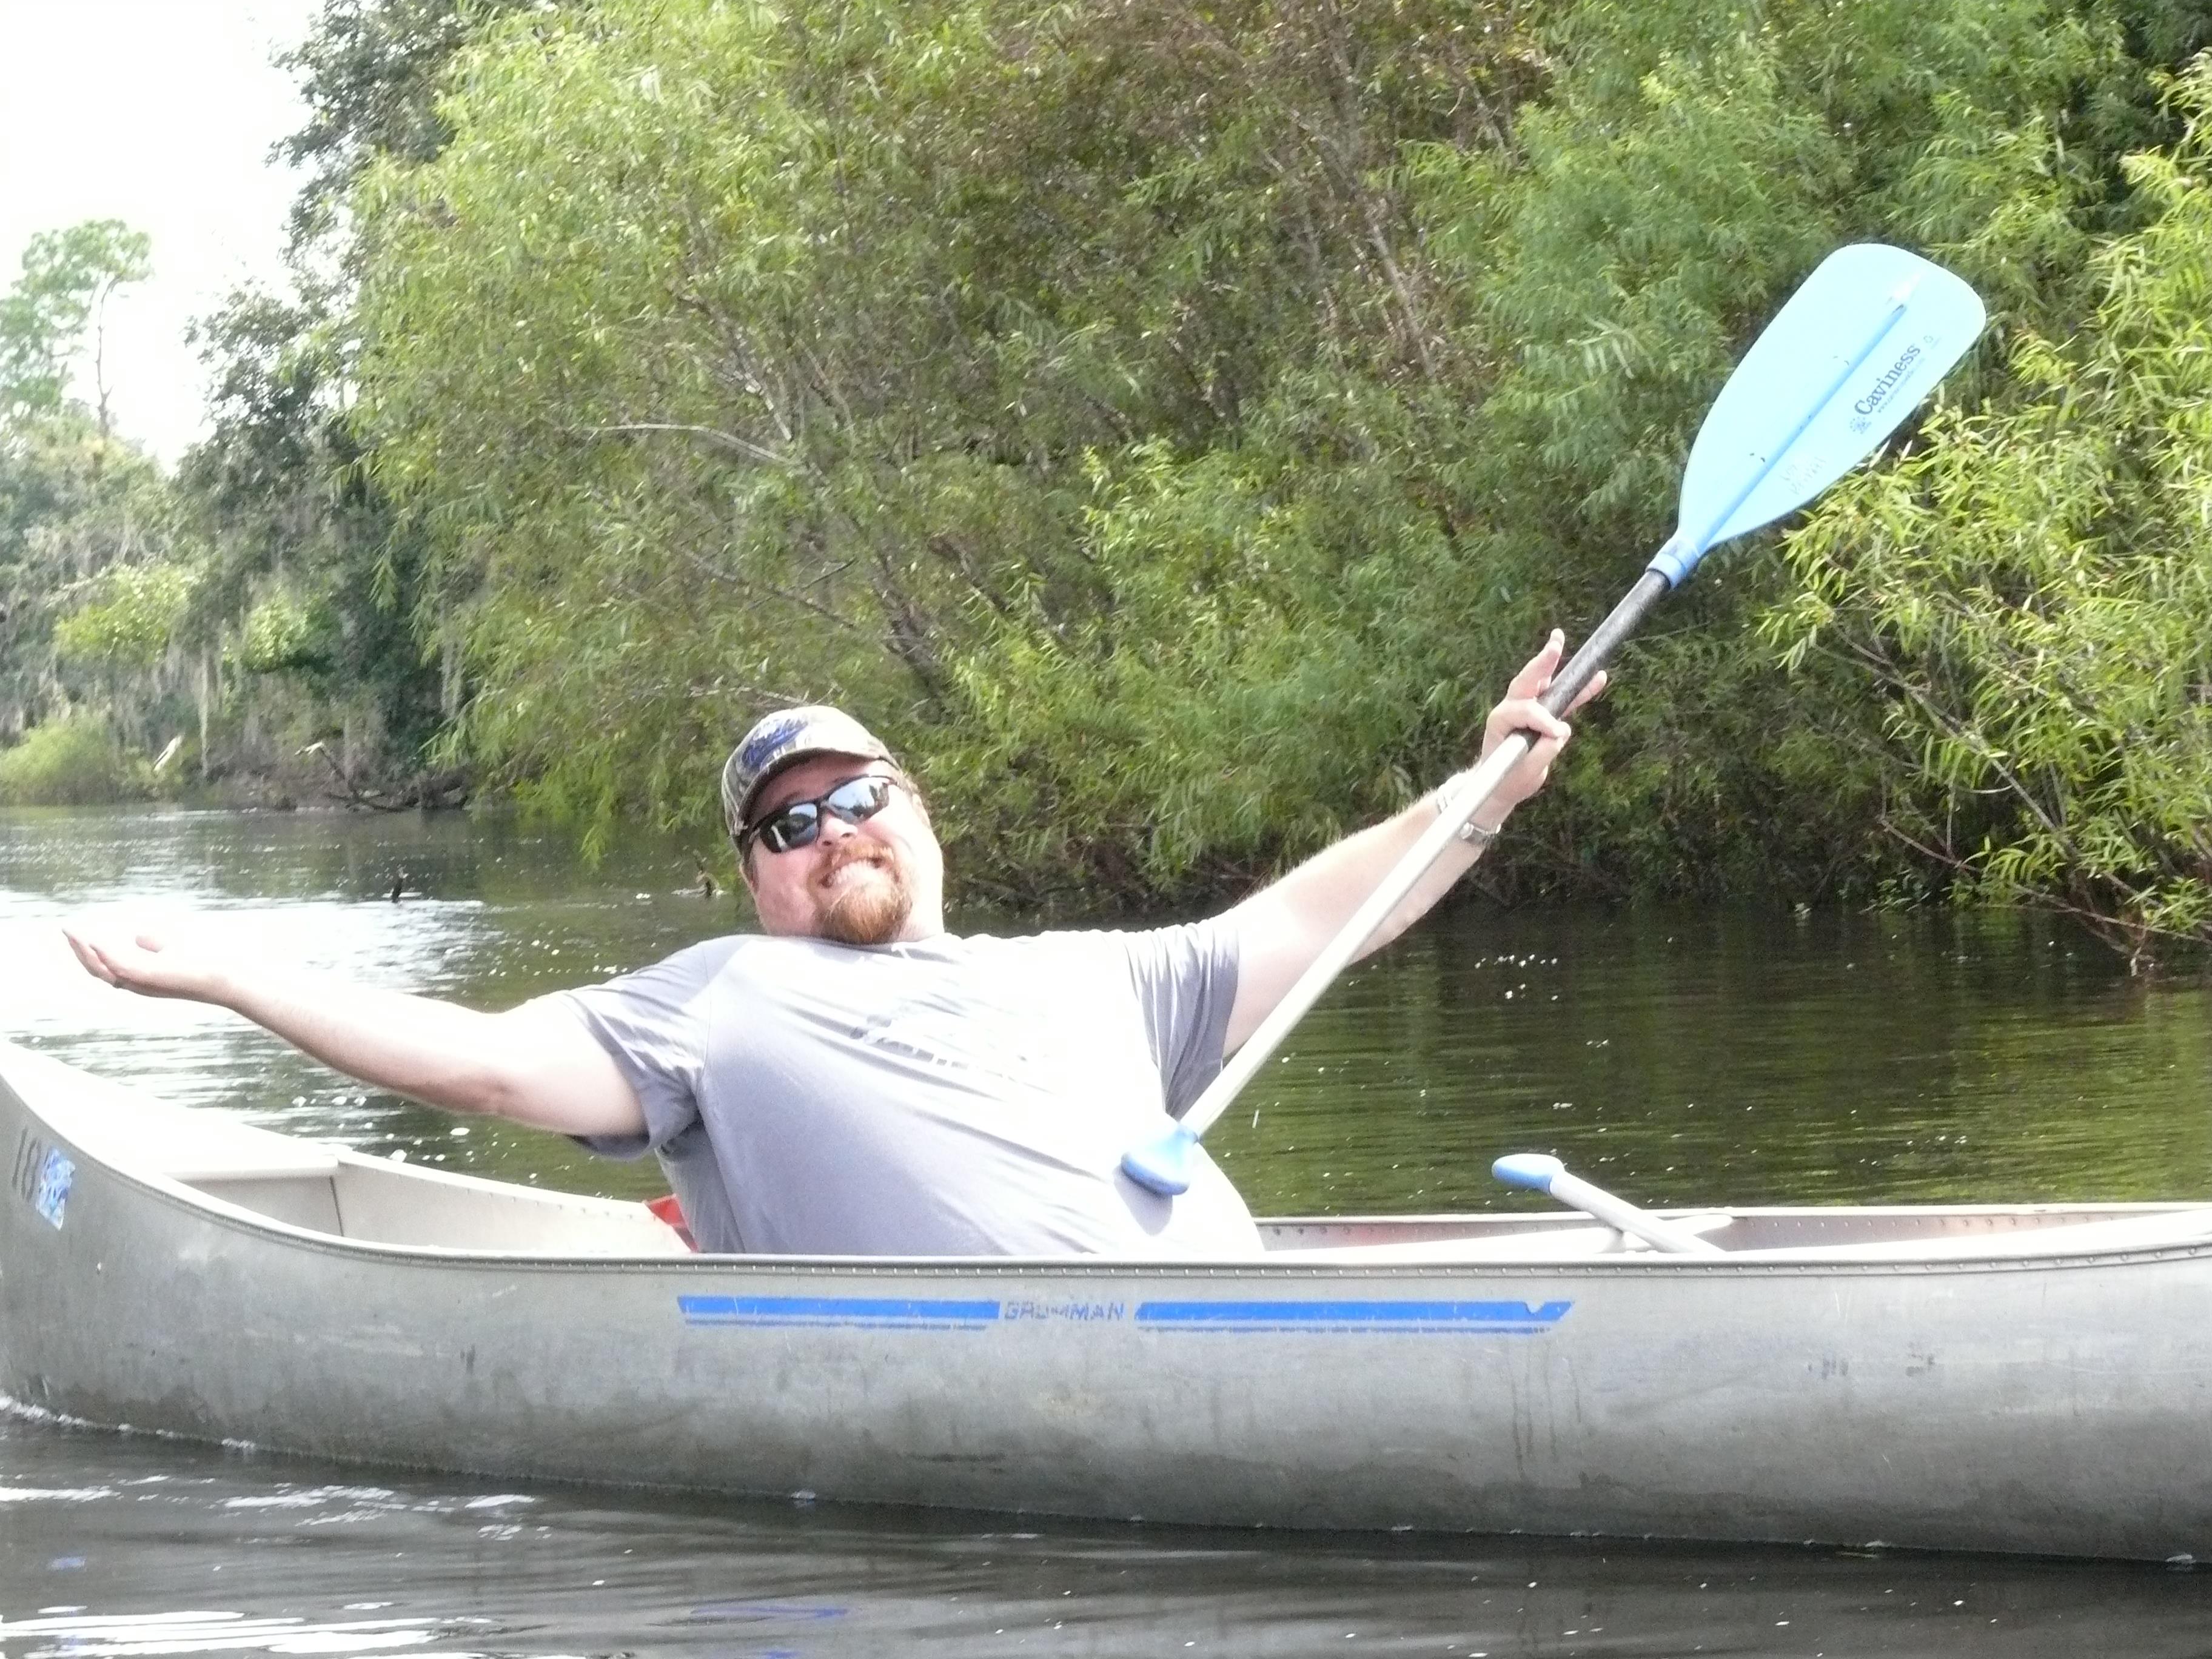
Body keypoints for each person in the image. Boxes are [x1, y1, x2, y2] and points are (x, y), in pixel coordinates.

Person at [64, 632, 1600, 1258]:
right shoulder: (720, 1002)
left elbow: (1328, 919)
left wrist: (1480, 792)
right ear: (755, 878)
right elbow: (482, 1069)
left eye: (859, 797)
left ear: (919, 813)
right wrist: (225, 975)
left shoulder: (1097, 975)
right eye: (787, 825)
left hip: (1251, 1328)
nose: (833, 832)